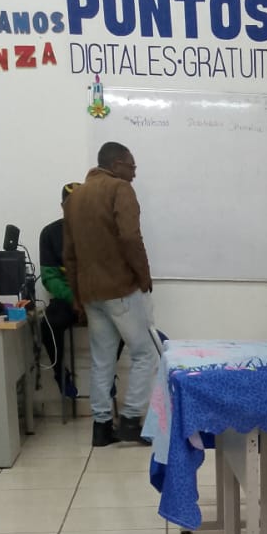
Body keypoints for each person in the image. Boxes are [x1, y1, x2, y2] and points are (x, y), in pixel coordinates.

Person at [63, 142, 156, 447]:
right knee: (145, 353)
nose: (134, 173)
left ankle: (101, 427)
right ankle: (130, 420)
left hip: (91, 293)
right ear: (116, 165)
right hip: (120, 288)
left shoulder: (75, 198)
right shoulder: (120, 189)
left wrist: (78, 296)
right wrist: (143, 276)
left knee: (101, 360)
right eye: (132, 166)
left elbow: (69, 254)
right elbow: (130, 236)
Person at [39, 182, 83, 400]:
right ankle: (61, 375)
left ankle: (109, 376)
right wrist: (74, 299)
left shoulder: (101, 232)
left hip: (97, 299)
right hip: (68, 299)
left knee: (125, 322)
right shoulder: (50, 233)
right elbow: (50, 278)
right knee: (47, 324)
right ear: (62, 206)